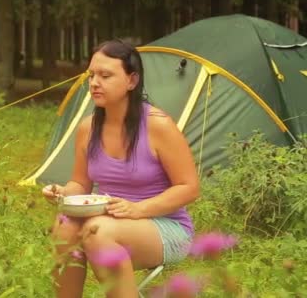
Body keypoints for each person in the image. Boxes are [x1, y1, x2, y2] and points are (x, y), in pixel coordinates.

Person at [42, 40, 199, 298]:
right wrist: (62, 192)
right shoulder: (87, 128)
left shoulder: (158, 125)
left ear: (132, 81)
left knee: (98, 232)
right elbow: (80, 184)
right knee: (65, 226)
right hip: (109, 219)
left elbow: (189, 188)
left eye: (105, 76)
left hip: (164, 226)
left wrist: (138, 209)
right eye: (91, 75)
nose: (94, 83)